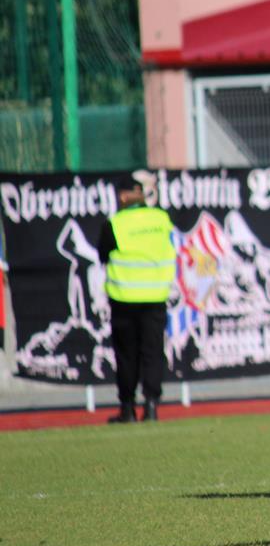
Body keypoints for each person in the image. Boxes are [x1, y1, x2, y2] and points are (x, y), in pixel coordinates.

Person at [98, 175, 177, 424]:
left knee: (127, 355)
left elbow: (103, 255)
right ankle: (152, 406)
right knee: (153, 353)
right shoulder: (161, 219)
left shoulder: (115, 223)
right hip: (155, 296)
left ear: (122, 196)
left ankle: (128, 408)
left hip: (124, 298)